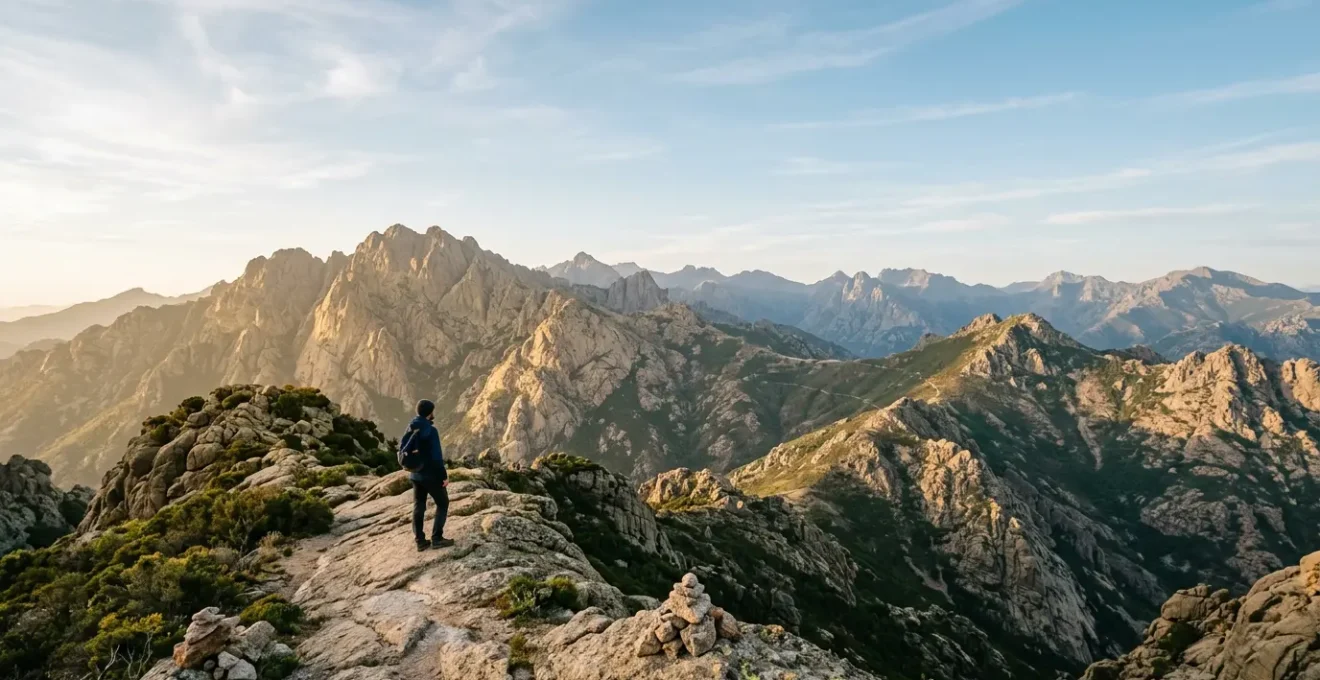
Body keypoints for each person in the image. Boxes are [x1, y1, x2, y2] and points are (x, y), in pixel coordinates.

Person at [404, 399, 452, 551]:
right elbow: (437, 457)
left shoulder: (411, 427)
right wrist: (444, 476)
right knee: (443, 503)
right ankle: (437, 538)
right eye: (433, 411)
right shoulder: (431, 431)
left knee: (419, 505)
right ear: (430, 413)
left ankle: (420, 541)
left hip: (415, 474)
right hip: (430, 474)